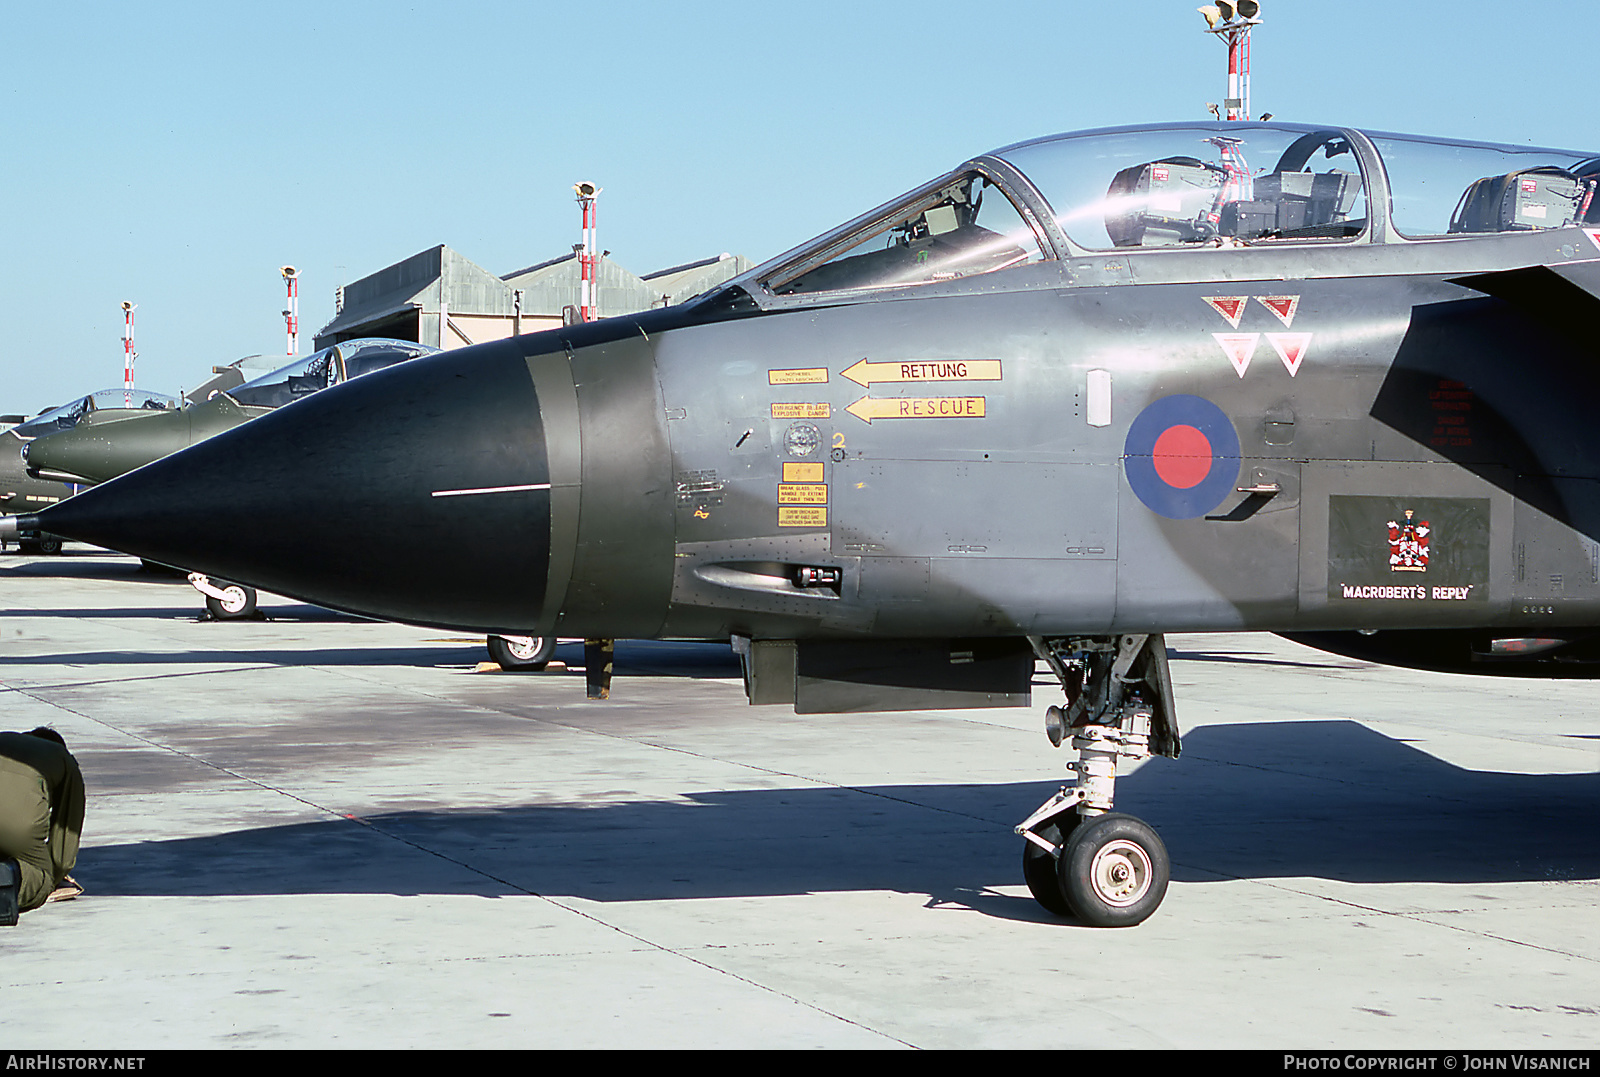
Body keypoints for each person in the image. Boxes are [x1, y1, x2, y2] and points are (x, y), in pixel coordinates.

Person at [0, 727, 85, 925]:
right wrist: (53, 877)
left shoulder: (5, 738)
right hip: (18, 826)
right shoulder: (64, 759)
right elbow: (63, 849)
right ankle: (10, 880)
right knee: (43, 877)